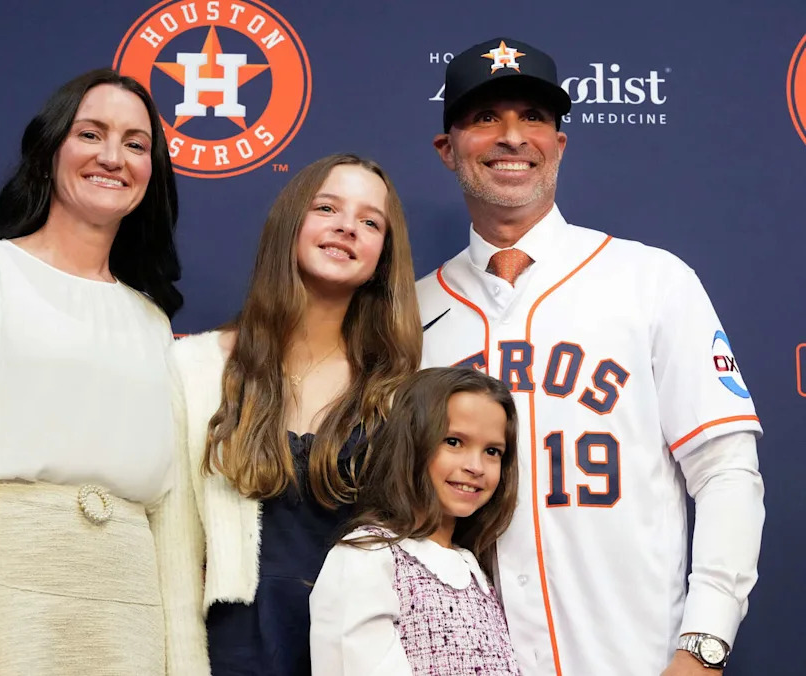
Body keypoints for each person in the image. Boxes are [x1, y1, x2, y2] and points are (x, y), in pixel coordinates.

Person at [417, 37, 765, 676]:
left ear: (560, 144)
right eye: (485, 117)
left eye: (535, 118)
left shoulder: (652, 279)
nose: (512, 136)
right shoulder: (410, 314)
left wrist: (705, 645)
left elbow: (726, 471)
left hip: (635, 657)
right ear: (448, 149)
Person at [0, 68, 183, 676]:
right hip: (6, 605)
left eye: (135, 143)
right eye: (91, 134)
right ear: (50, 151)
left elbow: (167, 508)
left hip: (130, 619)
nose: (112, 157)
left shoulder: (150, 320)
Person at [159, 153, 422, 675]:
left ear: (383, 256)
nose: (347, 227)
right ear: (291, 223)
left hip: (354, 654)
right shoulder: (193, 366)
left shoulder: (401, 394)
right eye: (327, 207)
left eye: (371, 221)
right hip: (228, 651)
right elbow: (172, 549)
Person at [310, 367, 520, 675]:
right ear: (412, 441)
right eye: (454, 441)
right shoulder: (366, 557)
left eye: (492, 451)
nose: (476, 466)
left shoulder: (476, 571)